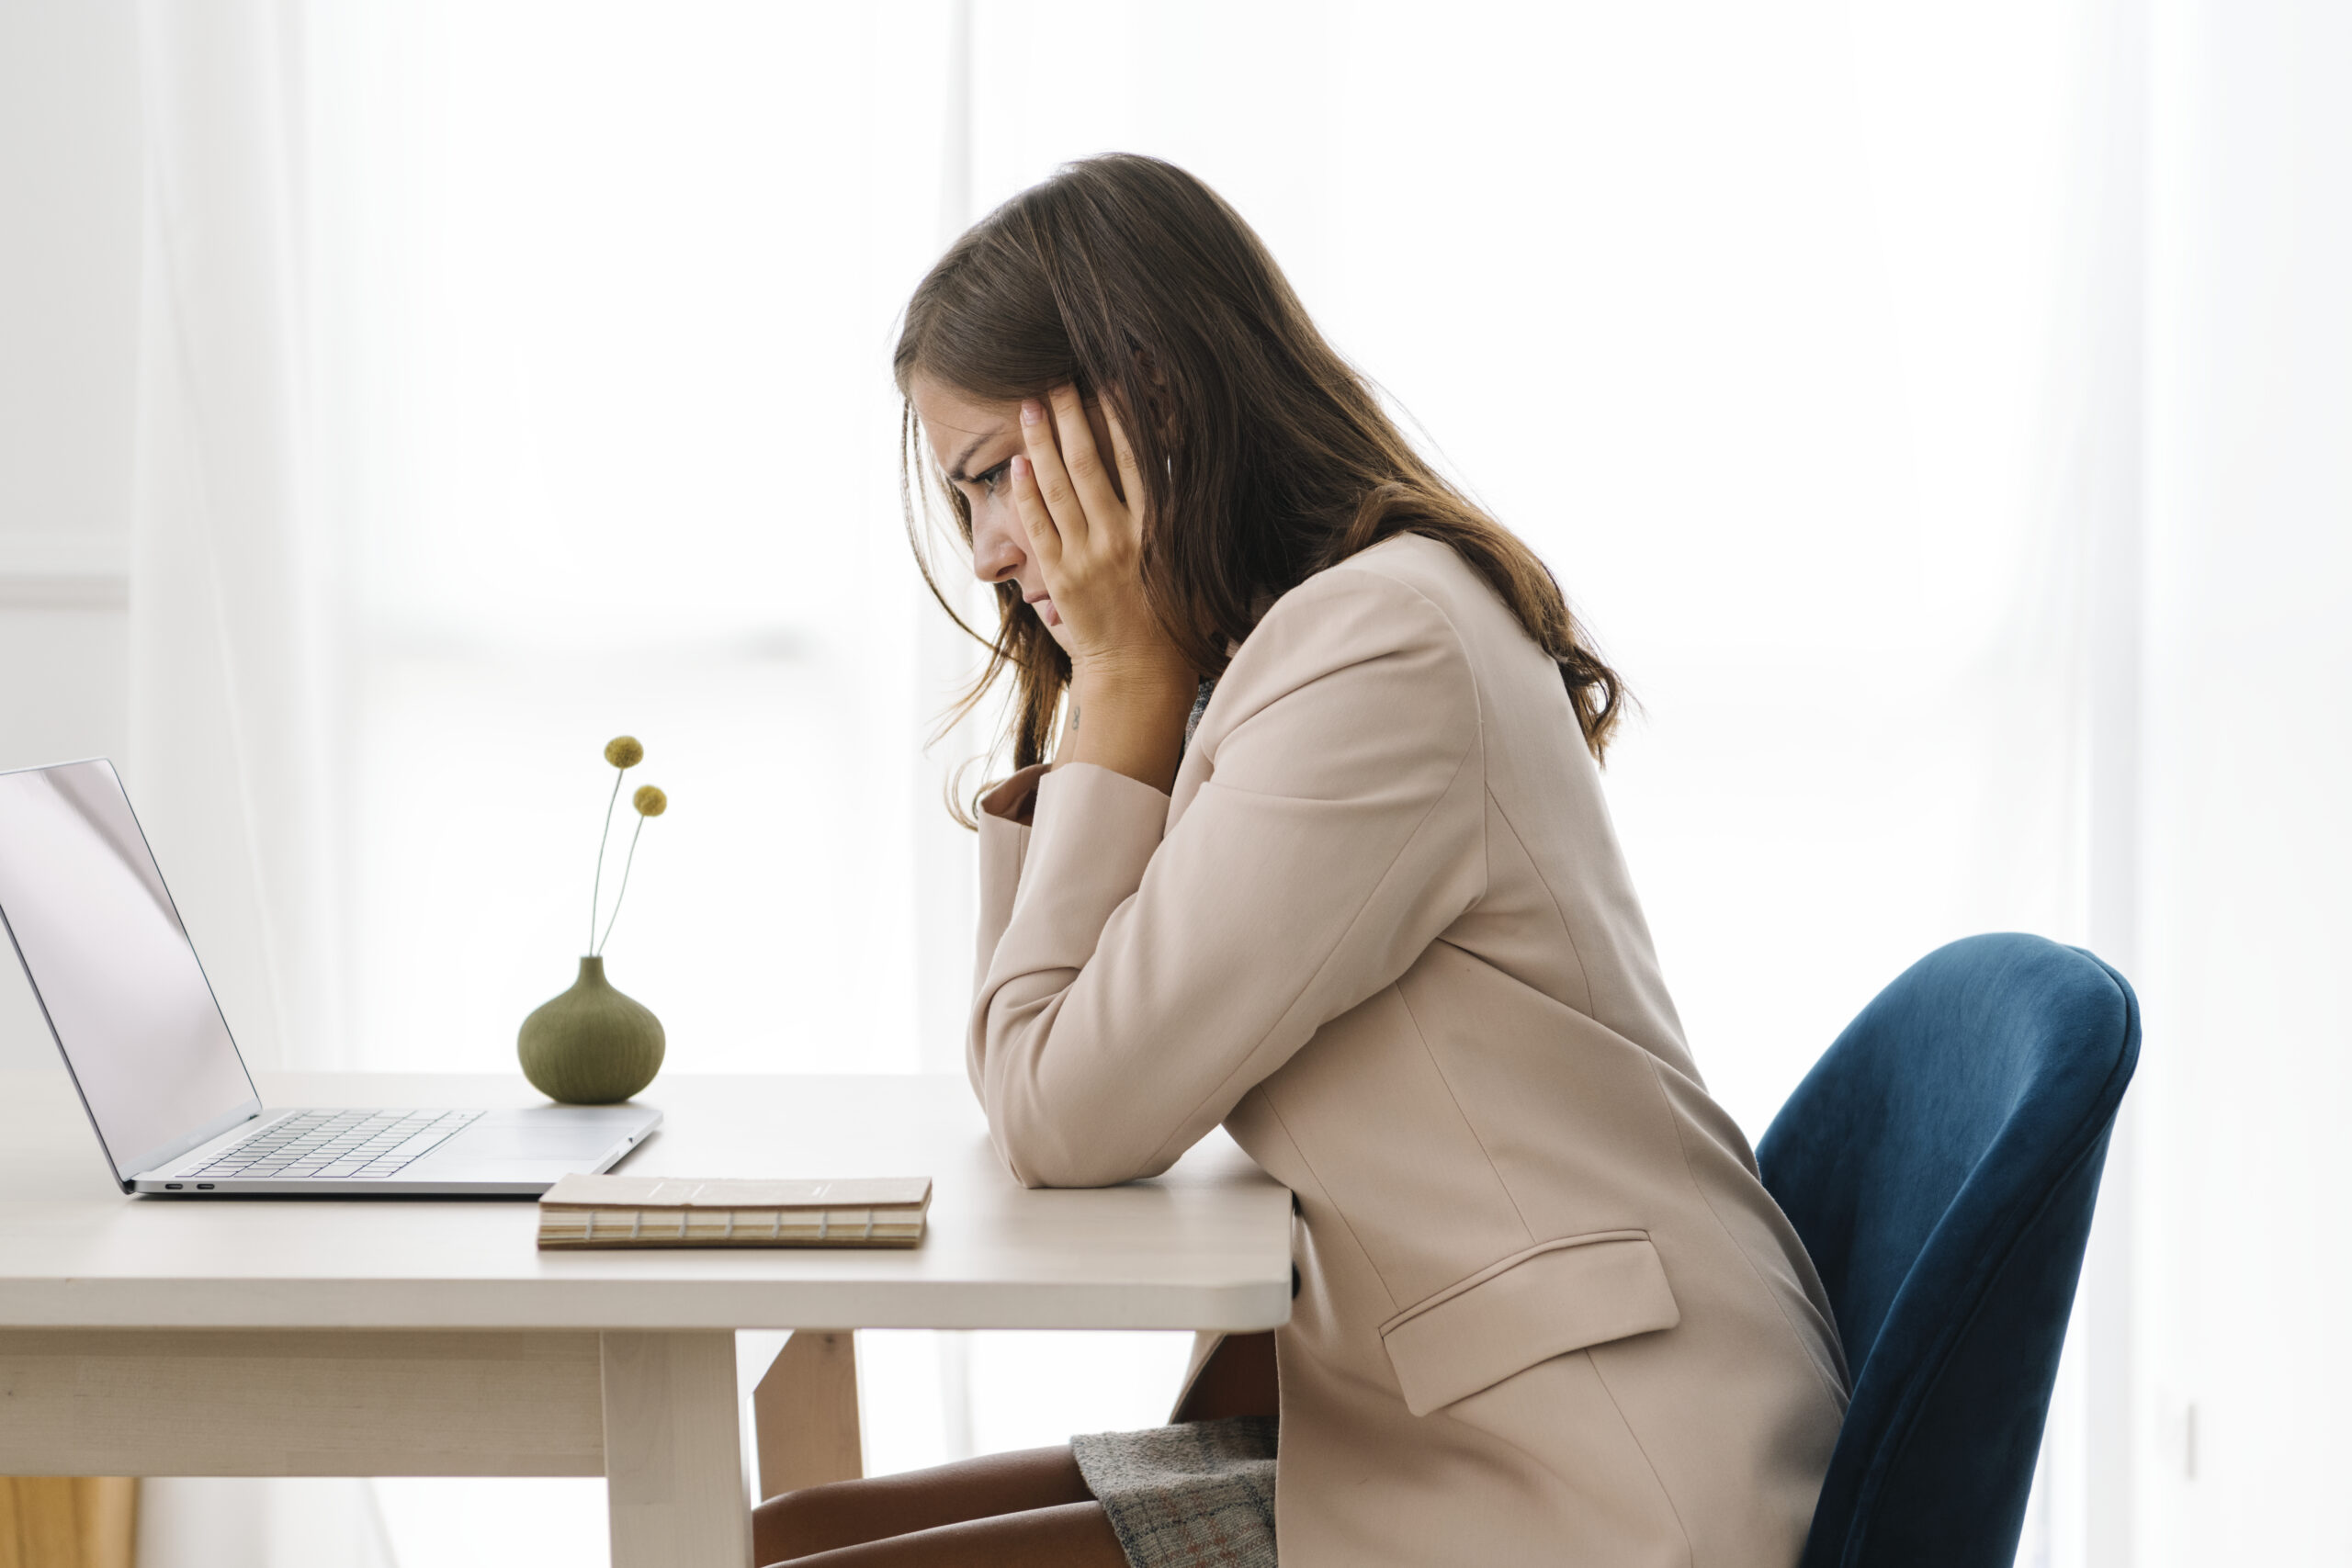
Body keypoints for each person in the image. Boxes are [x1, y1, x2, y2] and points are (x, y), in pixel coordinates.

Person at [753, 152, 1847, 1568]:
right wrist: (1132, 687)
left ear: (1146, 405)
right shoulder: (1295, 648)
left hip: (1591, 1477)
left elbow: (1058, 1113)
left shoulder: (1375, 652)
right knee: (773, 1542)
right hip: (1438, 1423)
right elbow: (1056, 1078)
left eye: (989, 481)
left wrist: (1122, 684)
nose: (987, 554)